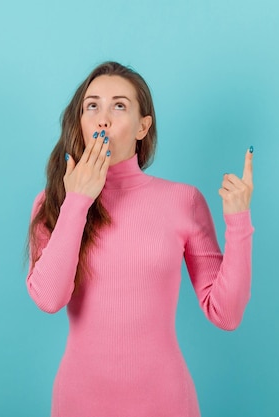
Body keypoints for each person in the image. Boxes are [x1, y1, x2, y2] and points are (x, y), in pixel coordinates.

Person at [26, 61, 254, 417]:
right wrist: (78, 201)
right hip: (79, 403)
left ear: (142, 126)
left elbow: (226, 313)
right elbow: (50, 298)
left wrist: (238, 221)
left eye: (119, 105)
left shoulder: (183, 200)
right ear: (81, 122)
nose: (103, 118)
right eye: (92, 106)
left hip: (165, 403)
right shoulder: (53, 202)